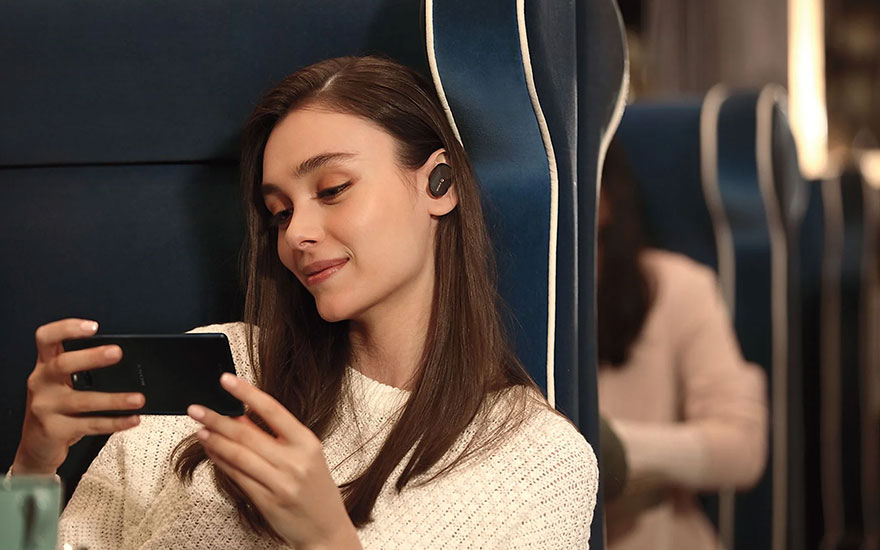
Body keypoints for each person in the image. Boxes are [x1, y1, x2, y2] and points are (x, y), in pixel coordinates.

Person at [9, 56, 597, 549]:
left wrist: (326, 539)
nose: (296, 235)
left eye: (332, 190)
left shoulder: (539, 461)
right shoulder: (226, 369)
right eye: (280, 212)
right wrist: (32, 470)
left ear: (437, 185)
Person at [596, 138, 768, 549]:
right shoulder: (493, 297)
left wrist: (615, 449)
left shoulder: (676, 288)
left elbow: (743, 447)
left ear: (603, 200)